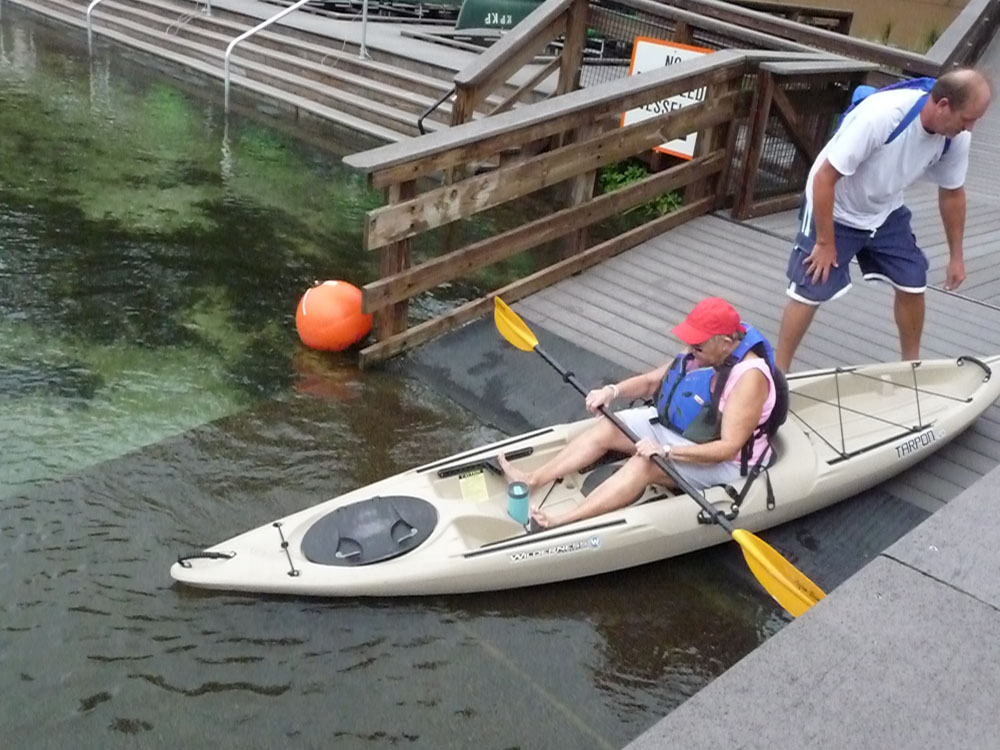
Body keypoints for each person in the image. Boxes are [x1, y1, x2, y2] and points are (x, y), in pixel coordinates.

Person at [775, 68, 992, 373]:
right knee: (811, 286)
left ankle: (910, 368)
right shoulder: (882, 116)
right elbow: (824, 178)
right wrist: (825, 243)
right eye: (967, 119)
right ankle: (776, 377)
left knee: (913, 281)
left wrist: (957, 256)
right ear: (943, 105)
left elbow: (952, 194)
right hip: (835, 206)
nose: (970, 128)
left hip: (884, 209)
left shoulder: (955, 138)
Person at [499, 298, 777, 529]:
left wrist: (665, 450)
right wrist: (611, 391)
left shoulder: (749, 379)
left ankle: (564, 520)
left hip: (727, 462)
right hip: (684, 432)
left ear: (727, 342)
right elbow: (651, 381)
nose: (691, 350)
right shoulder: (705, 350)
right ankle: (533, 479)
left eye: (698, 345)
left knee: (645, 464)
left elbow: (728, 449)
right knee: (610, 426)